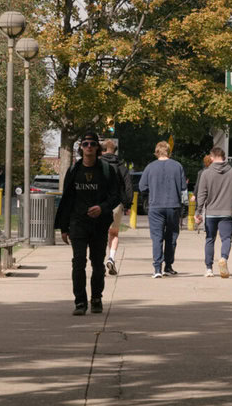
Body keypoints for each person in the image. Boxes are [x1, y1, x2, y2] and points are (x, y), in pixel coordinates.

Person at [55, 131, 125, 315]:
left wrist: (102, 208)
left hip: (99, 224)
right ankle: (80, 302)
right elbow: (67, 199)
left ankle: (96, 299)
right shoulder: (74, 171)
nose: (88, 147)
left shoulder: (107, 170)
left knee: (97, 263)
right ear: (80, 148)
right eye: (85, 144)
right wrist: (64, 227)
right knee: (78, 263)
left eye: (92, 144)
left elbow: (116, 195)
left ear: (97, 148)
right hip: (78, 223)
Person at [137, 140, 189, 278]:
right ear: (169, 151)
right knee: (171, 236)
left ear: (156, 152)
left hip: (155, 206)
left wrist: (152, 191)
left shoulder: (150, 167)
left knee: (157, 237)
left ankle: (157, 268)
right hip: (173, 205)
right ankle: (169, 266)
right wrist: (185, 207)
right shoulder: (177, 166)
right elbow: (184, 188)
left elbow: (142, 187)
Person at [196, 146, 232, 278]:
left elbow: (201, 194)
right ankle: (224, 258)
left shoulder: (206, 173)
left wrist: (199, 211)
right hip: (227, 211)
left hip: (211, 212)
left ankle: (209, 268)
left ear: (211, 157)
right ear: (224, 157)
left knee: (210, 239)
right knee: (226, 238)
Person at [100, 137, 128, 276]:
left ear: (103, 150)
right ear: (115, 151)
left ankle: (99, 263)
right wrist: (128, 203)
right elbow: (127, 185)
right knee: (114, 233)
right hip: (116, 204)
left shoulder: (97, 164)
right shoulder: (121, 166)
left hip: (100, 204)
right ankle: (111, 257)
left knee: (99, 233)